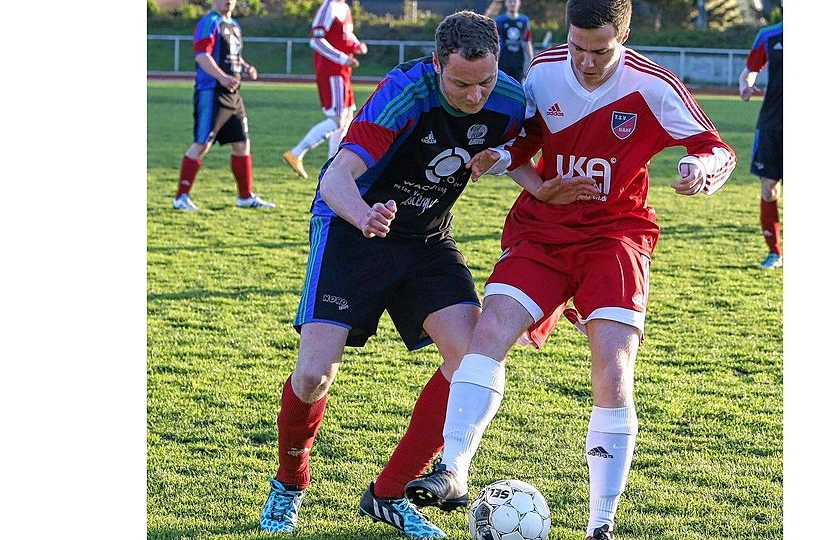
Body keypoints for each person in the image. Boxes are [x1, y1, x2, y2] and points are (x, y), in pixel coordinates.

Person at [258, 10, 598, 538]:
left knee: (470, 361)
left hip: (426, 240)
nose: (474, 95)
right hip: (353, 230)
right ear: (437, 63)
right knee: (313, 375)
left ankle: (389, 494)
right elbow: (338, 177)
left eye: (485, 81)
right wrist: (363, 215)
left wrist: (537, 185)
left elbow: (520, 150)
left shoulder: (509, 98)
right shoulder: (404, 92)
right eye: (461, 83)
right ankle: (289, 482)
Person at [403, 2, 736, 540]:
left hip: (615, 236)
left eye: (600, 50)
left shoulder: (653, 85)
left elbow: (717, 147)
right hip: (544, 231)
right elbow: (524, 140)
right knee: (487, 332)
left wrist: (701, 169)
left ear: (623, 37)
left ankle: (600, 523)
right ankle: (455, 469)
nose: (584, 61)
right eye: (578, 47)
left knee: (611, 368)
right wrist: (500, 157)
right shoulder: (544, 71)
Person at [173, 0, 275, 211]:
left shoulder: (234, 25)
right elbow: (202, 56)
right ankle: (181, 197)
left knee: (241, 143)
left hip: (233, 93)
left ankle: (245, 197)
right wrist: (222, 77)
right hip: (212, 91)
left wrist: (245, 66)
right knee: (202, 143)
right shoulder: (209, 22)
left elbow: (233, 55)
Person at [282, 0, 368, 180]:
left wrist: (356, 45)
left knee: (346, 118)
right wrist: (342, 58)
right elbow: (316, 40)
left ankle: (333, 167)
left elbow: (347, 35)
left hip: (343, 72)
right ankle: (296, 153)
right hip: (332, 72)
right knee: (337, 120)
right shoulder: (328, 7)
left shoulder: (344, 7)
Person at [739, 18, 783, 270]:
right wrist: (746, 85)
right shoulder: (769, 35)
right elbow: (750, 70)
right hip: (772, 123)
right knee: (768, 188)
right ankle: (774, 252)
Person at [494, 0, 534, 82]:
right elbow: (497, 42)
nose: (512, 4)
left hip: (519, 60)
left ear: (519, 3)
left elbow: (527, 41)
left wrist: (531, 60)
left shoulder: (524, 20)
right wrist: (495, 61)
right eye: (510, 1)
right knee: (503, 85)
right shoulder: (500, 20)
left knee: (518, 85)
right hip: (504, 60)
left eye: (515, 1)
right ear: (506, 3)